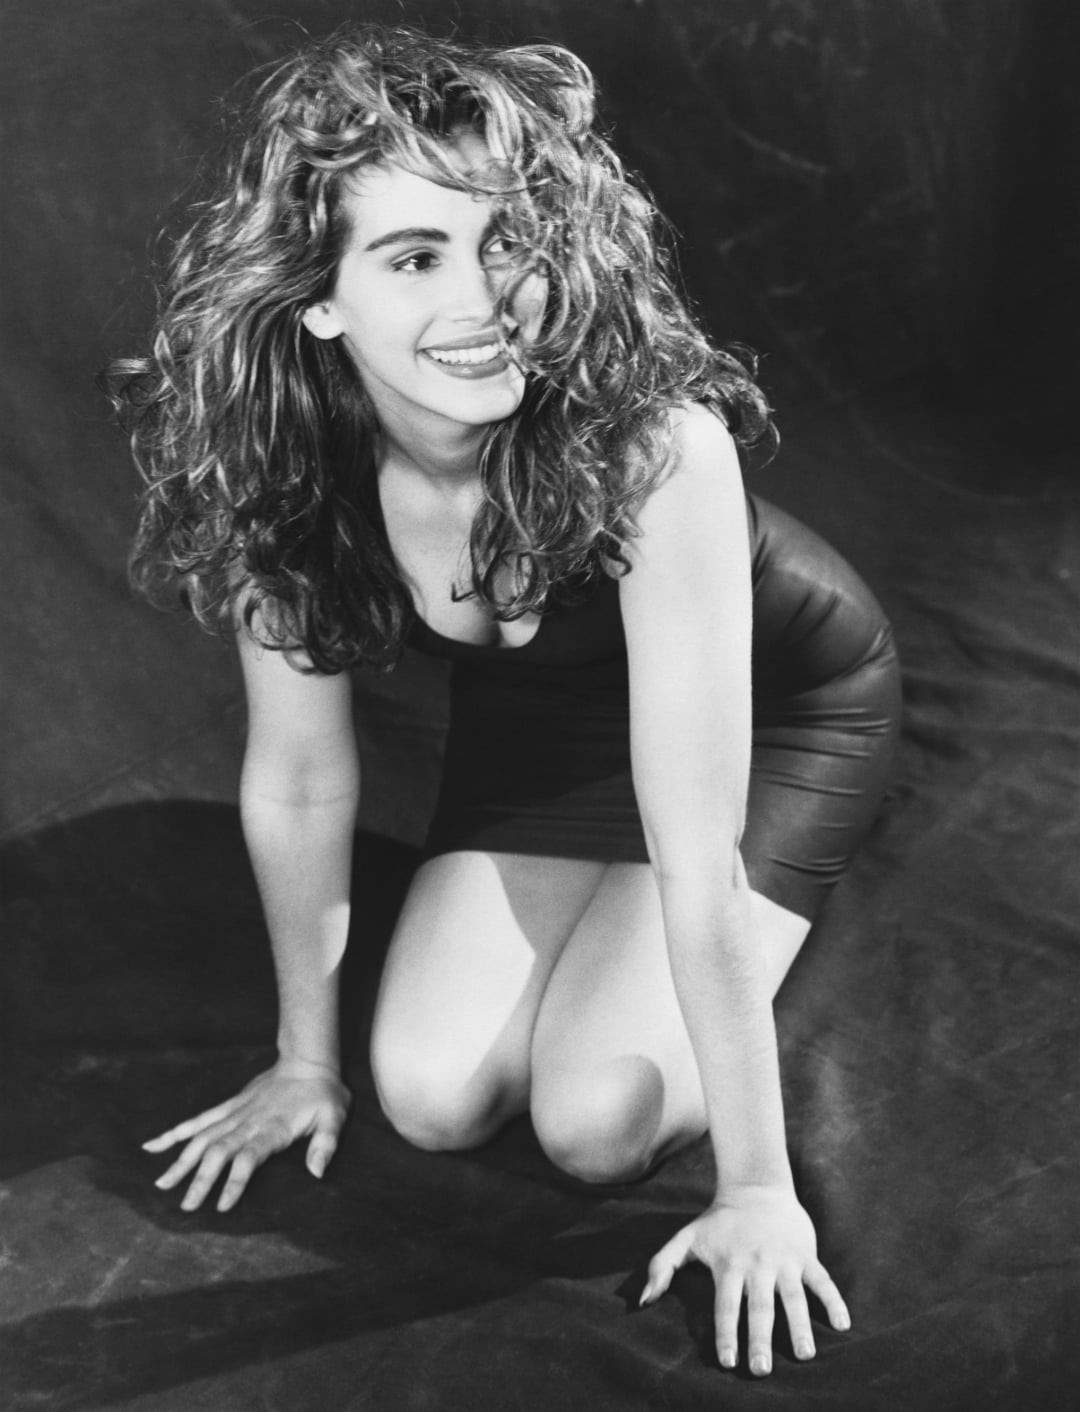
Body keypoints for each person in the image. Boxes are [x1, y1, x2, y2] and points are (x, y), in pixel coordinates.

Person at [110, 26, 900, 1378]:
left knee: (594, 1123)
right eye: (414, 256)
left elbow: (695, 857)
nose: (484, 299)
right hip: (539, 728)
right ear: (320, 296)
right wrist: (307, 1063)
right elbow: (301, 777)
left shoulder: (658, 451)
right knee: (425, 1097)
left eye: (511, 241)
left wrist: (759, 1189)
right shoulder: (285, 474)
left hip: (772, 718)